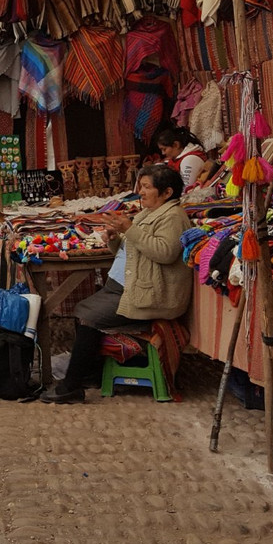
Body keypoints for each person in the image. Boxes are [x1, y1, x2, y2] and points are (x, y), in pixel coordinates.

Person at [41, 165, 192, 404]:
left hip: (148, 294)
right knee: (83, 310)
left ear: (167, 192)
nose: (141, 192)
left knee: (88, 316)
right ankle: (90, 372)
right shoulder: (149, 212)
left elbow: (164, 252)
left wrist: (129, 229)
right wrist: (115, 240)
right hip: (126, 287)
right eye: (141, 186)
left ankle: (71, 386)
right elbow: (134, 250)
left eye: (147, 187)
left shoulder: (173, 217)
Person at [156, 125, 207, 189]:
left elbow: (186, 189)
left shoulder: (190, 160)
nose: (163, 153)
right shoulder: (176, 159)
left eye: (164, 149)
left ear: (176, 145)